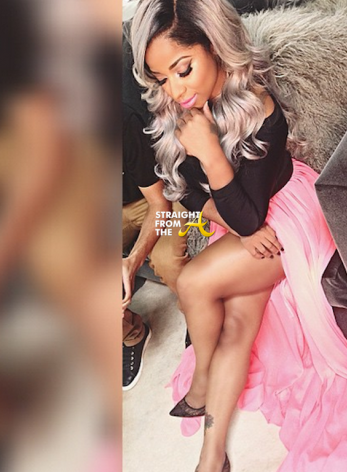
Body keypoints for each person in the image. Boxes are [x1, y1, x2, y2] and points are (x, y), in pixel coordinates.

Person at [130, 0, 347, 471]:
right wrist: (221, 209)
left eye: (183, 69)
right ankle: (212, 458)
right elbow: (185, 194)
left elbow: (252, 218)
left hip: (285, 219)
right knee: (236, 324)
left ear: (214, 46)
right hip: (240, 223)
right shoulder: (182, 108)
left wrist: (211, 154)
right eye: (161, 79)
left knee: (192, 282)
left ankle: (204, 378)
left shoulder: (263, 109)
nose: (175, 89)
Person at [122, 38, 190, 389]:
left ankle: (198, 315)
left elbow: (159, 204)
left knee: (166, 260)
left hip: (164, 196)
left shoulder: (120, 118)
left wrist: (132, 261)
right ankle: (131, 333)